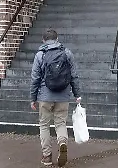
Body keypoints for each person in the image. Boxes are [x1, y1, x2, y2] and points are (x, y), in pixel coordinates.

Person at [30, 28, 82, 167]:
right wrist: (77, 94)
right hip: (63, 96)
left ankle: (47, 157)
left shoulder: (40, 55)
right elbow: (74, 75)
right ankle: (63, 143)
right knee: (60, 124)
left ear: (43, 40)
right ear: (57, 39)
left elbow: (35, 78)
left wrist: (33, 98)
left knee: (44, 126)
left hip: (45, 96)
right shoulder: (67, 53)